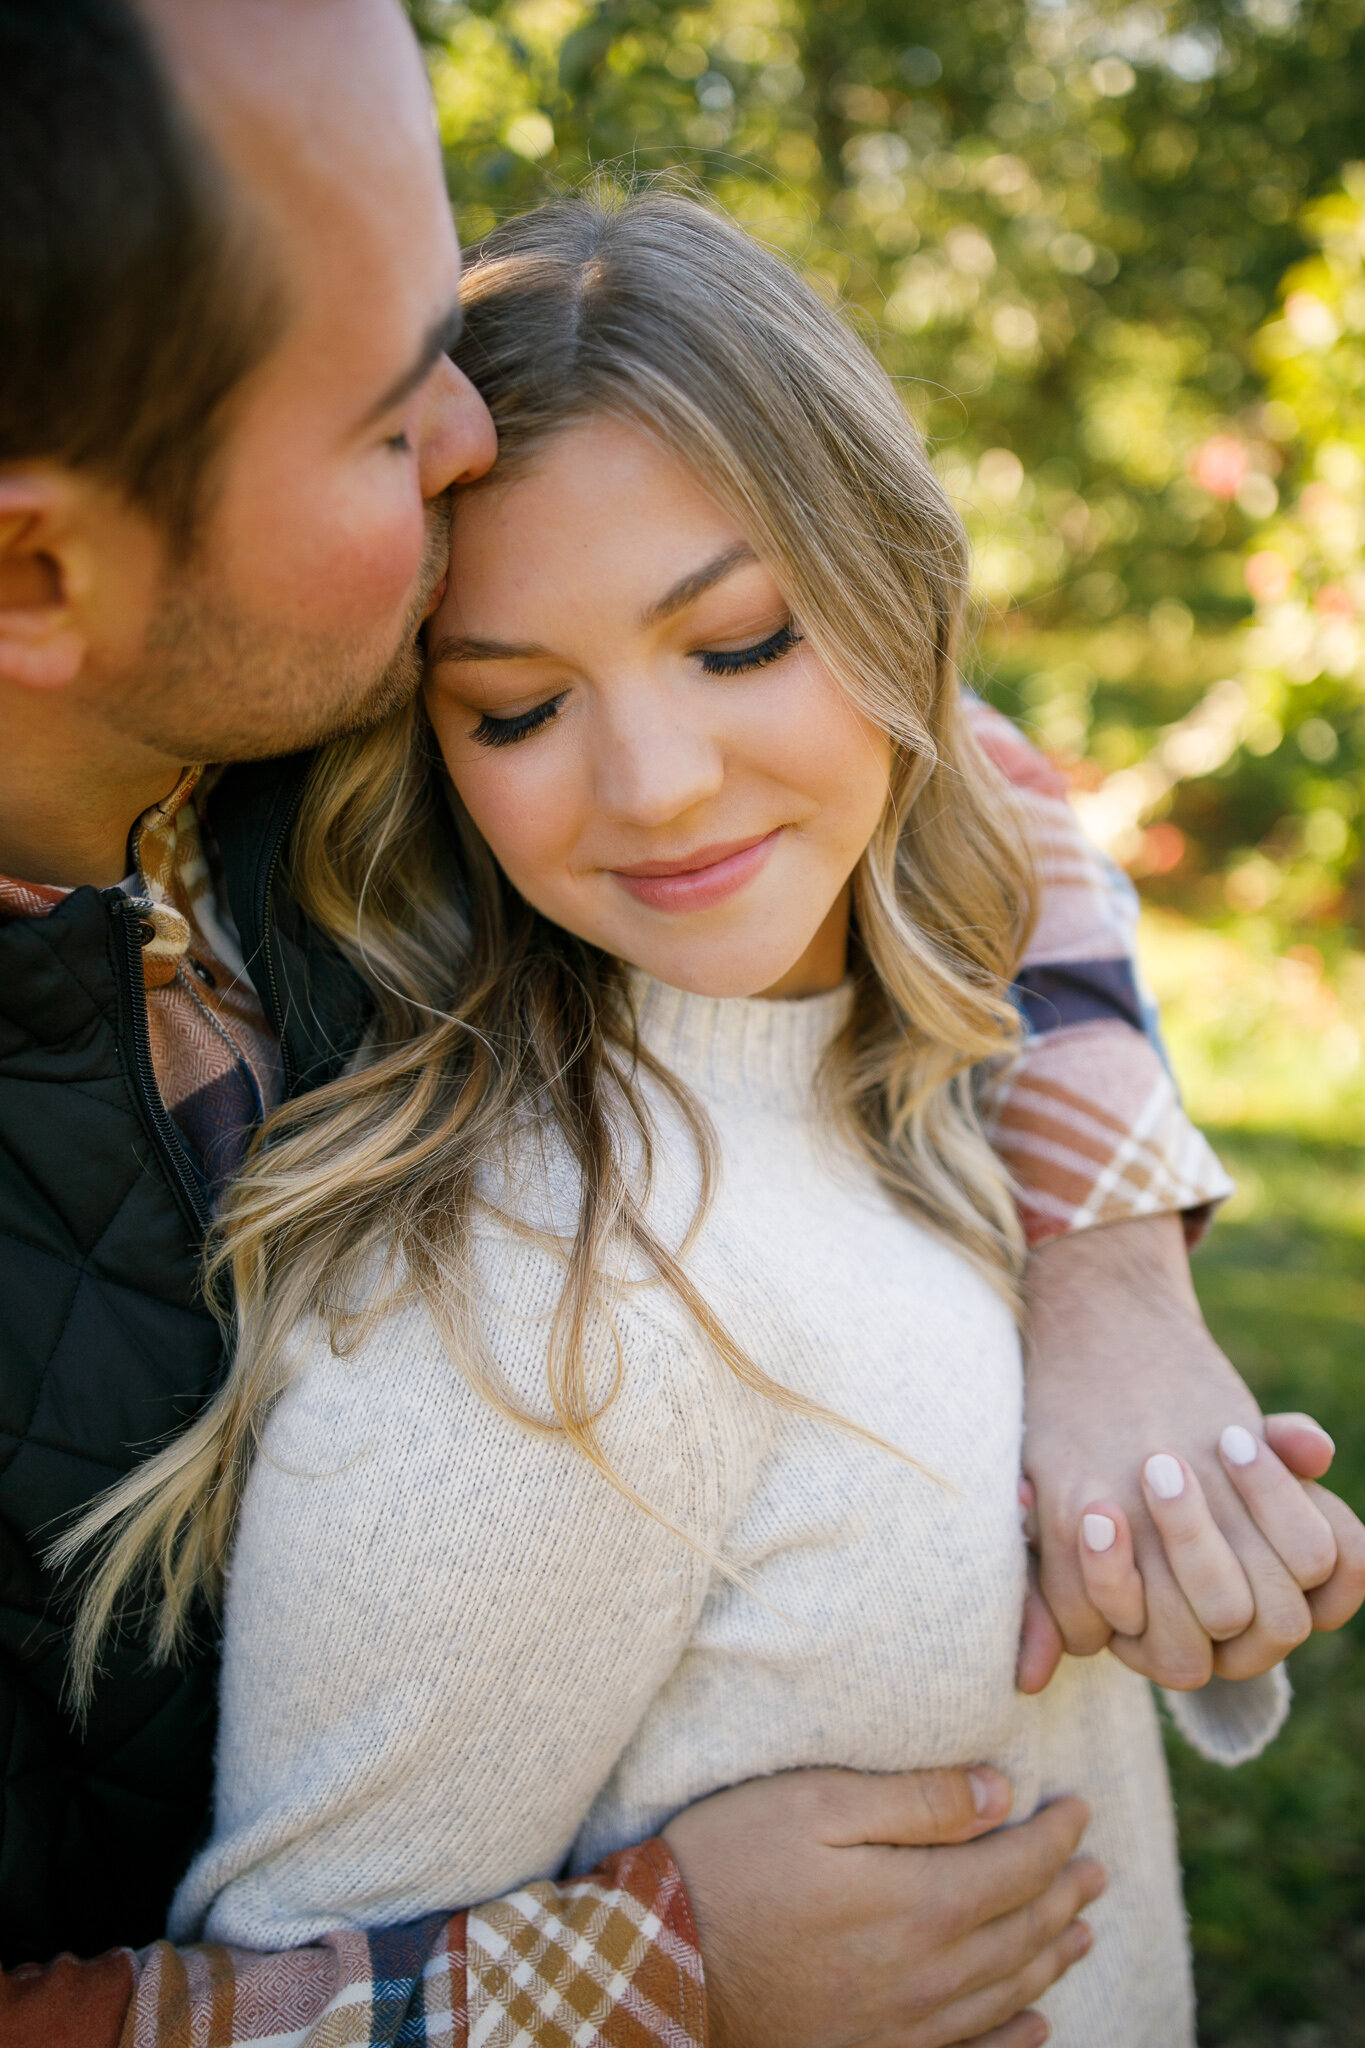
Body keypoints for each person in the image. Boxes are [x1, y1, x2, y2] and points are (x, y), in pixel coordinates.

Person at [0, 2, 1359, 2044]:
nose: (463, 430)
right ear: (38, 564)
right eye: (387, 411)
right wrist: (625, 1975)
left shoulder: (327, 709)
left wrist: (1105, 1264)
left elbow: (951, 767)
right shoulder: (523, 1309)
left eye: (733, 639)